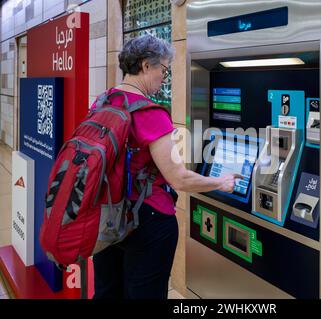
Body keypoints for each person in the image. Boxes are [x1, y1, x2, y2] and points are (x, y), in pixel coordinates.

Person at [92, 35, 239, 299]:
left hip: (105, 214)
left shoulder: (103, 101)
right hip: (146, 220)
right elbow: (179, 178)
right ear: (146, 66)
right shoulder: (150, 113)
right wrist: (220, 182)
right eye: (163, 68)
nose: (165, 75)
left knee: (107, 291)